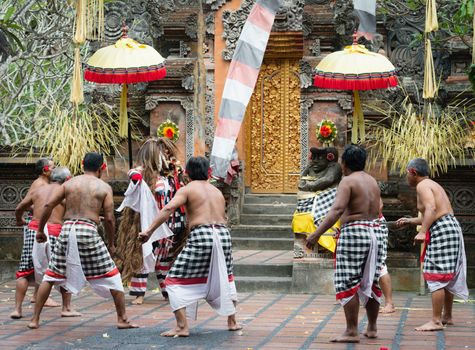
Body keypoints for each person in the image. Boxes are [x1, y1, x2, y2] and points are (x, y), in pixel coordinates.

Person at [27, 152, 138, 330]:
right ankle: (122, 319)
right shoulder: (103, 187)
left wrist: (40, 230)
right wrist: (111, 243)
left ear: (81, 164)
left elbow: (48, 205)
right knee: (113, 275)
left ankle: (34, 319)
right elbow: (109, 219)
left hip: (67, 229)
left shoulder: (69, 183)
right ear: (102, 168)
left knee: (51, 276)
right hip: (87, 231)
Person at [139, 156, 240, 337]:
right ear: (208, 172)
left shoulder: (187, 189)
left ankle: (182, 327)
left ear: (187, 173)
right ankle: (232, 322)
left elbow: (168, 209)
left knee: (173, 279)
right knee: (225, 277)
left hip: (202, 235)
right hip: (223, 235)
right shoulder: (216, 191)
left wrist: (148, 231)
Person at [306, 144, 383, 343]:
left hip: (355, 233)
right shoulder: (372, 181)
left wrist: (316, 234)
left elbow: (337, 210)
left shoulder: (347, 181)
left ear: (344, 163)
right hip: (375, 232)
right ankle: (372, 327)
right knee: (372, 279)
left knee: (348, 280)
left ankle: (351, 331)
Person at [396, 158, 468, 331]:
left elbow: (432, 209)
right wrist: (410, 221)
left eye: (406, 173)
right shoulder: (432, 184)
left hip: (442, 229)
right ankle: (447, 316)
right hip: (449, 226)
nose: (406, 177)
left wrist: (422, 232)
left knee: (436, 274)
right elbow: (431, 212)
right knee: (446, 274)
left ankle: (436, 321)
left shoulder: (422, 185)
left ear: (413, 172)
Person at [116, 137, 186, 304]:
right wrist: (137, 176)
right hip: (149, 224)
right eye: (163, 150)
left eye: (168, 150)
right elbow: (132, 174)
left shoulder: (173, 174)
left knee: (165, 259)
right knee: (144, 256)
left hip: (170, 223)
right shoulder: (143, 173)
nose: (167, 153)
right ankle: (139, 294)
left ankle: (167, 291)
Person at [15, 167, 81, 319]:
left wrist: (20, 220)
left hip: (34, 230)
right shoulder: (65, 193)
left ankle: (17, 310)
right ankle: (66, 308)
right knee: (63, 270)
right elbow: (75, 214)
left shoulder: (38, 191)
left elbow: (19, 208)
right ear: (67, 179)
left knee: (25, 271)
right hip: (55, 232)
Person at [11, 158, 59, 319]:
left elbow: (26, 204)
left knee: (37, 266)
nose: (55, 169)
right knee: (29, 269)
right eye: (53, 167)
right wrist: (22, 218)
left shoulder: (43, 185)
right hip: (39, 229)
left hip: (40, 228)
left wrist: (32, 210)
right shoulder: (40, 185)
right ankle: (18, 308)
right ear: (45, 170)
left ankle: (31, 300)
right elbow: (22, 206)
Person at [378, 201, 395, 314]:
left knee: (380, 264)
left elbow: (379, 205)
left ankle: (389, 303)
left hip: (375, 223)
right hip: (359, 224)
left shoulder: (370, 184)